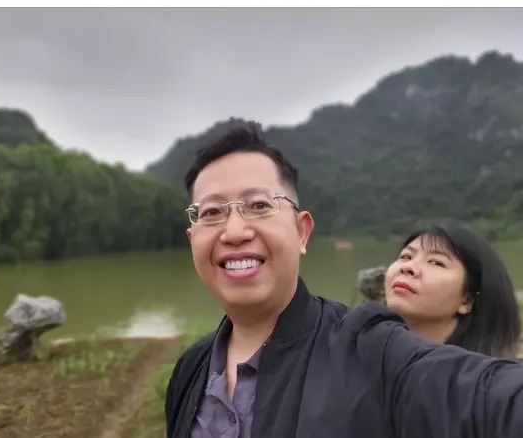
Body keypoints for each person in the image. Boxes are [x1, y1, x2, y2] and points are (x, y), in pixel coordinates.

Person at [165, 121, 523, 438]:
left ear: (302, 232)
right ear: (193, 239)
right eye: (211, 212)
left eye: (258, 205)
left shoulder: (367, 350)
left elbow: (487, 399)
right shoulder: (191, 367)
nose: (234, 231)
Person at [385, 221, 521, 358]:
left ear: (467, 300)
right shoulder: (376, 356)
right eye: (406, 257)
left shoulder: (479, 371)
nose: (408, 267)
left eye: (436, 262)